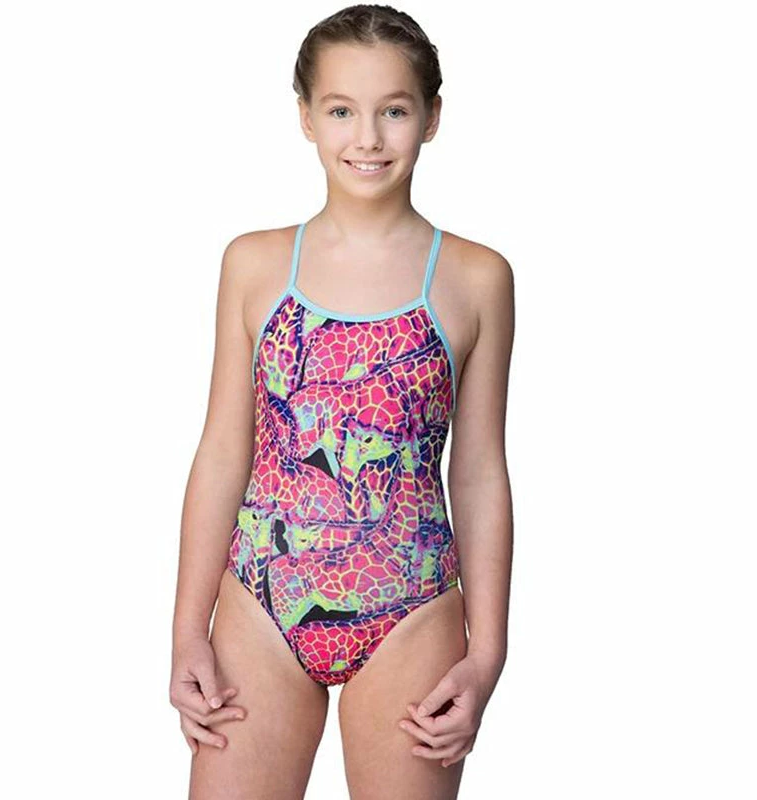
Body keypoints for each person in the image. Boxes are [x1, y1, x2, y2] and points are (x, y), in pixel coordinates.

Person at [170, 5, 515, 798]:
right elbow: (223, 449)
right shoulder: (255, 264)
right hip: (261, 602)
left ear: (431, 117)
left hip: (412, 611)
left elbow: (479, 470)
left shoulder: (476, 278)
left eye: (393, 110)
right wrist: (188, 629)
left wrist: (488, 652)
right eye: (340, 111)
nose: (367, 137)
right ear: (305, 117)